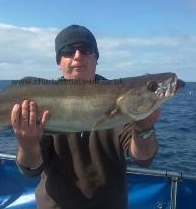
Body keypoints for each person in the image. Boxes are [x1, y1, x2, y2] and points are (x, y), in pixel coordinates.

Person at [11, 25, 159, 209]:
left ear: (96, 58)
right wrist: (28, 144)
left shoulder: (122, 97)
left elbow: (143, 158)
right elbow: (30, 169)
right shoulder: (37, 102)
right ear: (59, 62)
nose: (78, 55)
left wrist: (144, 128)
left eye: (86, 49)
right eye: (68, 51)